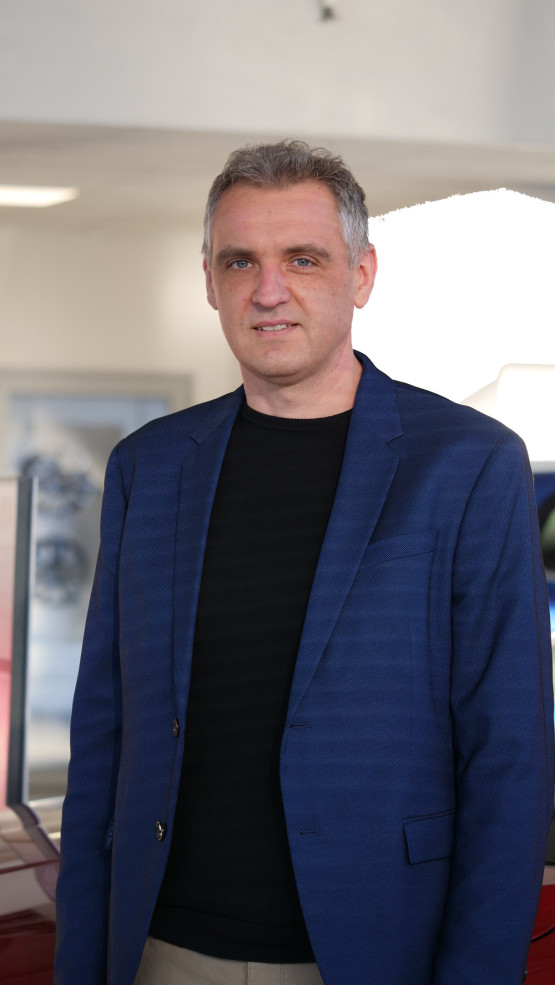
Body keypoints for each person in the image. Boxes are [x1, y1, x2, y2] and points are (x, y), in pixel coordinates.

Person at [54, 140, 554, 985]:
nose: (267, 289)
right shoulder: (149, 466)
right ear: (209, 280)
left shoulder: (465, 464)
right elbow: (102, 736)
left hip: (372, 947)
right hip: (163, 951)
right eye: (239, 260)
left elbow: (507, 759)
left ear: (360, 275)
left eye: (302, 258)